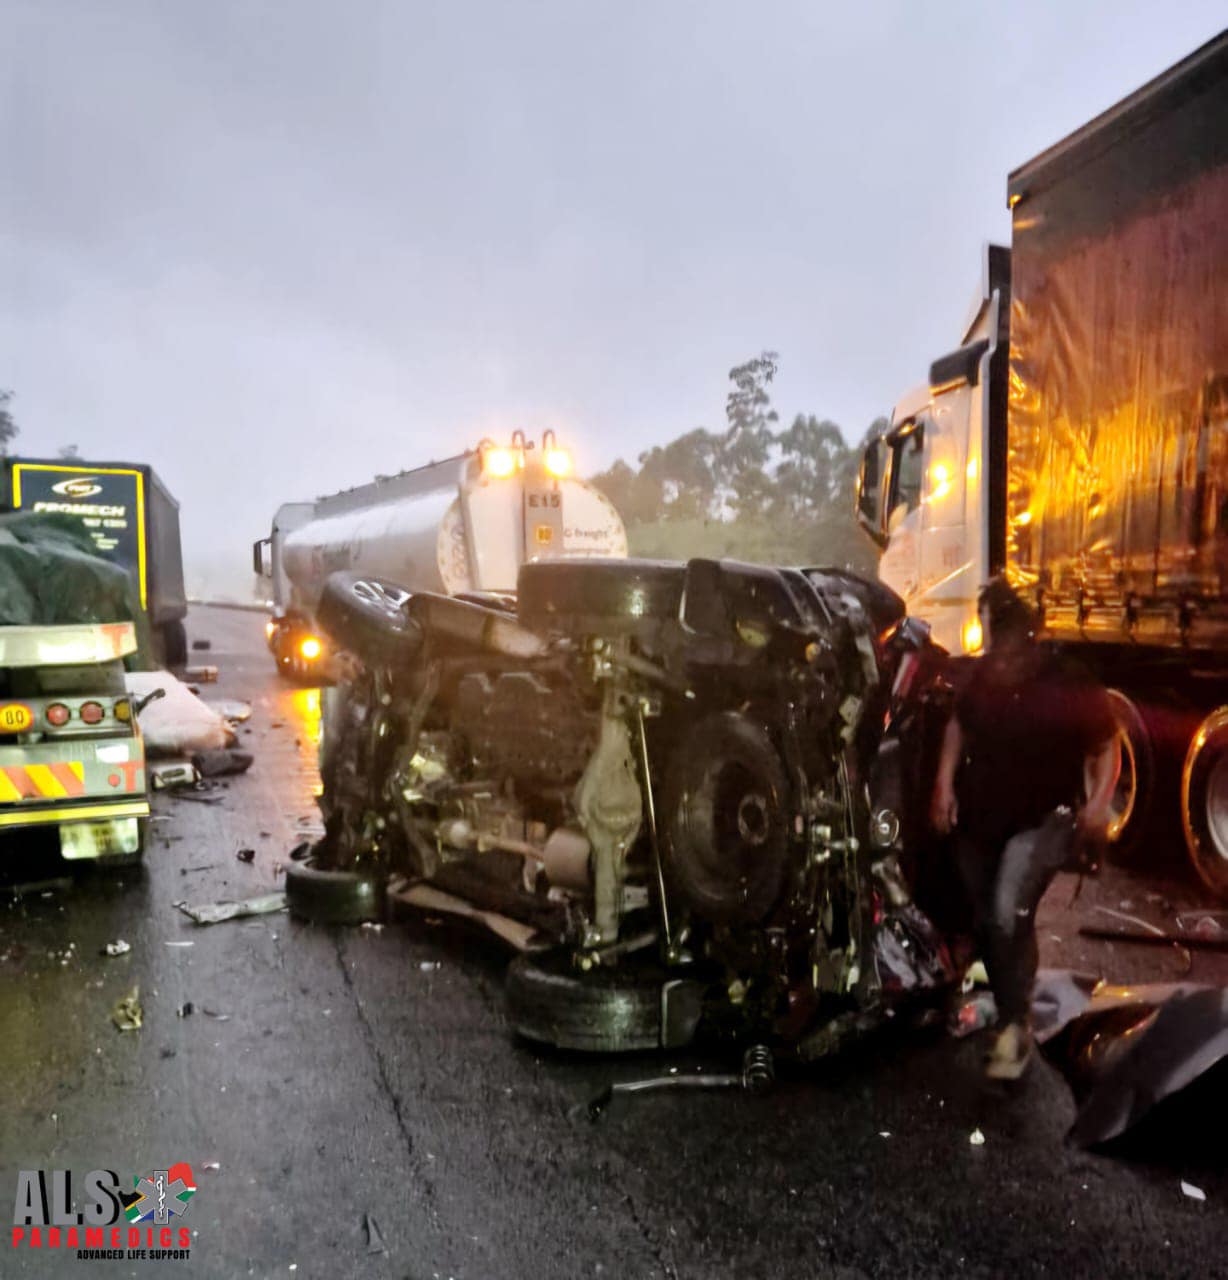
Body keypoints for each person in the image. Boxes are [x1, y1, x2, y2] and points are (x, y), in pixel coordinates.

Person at [931, 577, 1120, 1080]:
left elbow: (1106, 746)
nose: (996, 649)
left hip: (1044, 821)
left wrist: (1099, 803)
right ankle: (1008, 1000)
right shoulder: (985, 675)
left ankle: (1015, 1029)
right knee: (988, 919)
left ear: (1023, 633)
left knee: (1005, 909)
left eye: (1000, 633)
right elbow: (957, 726)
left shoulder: (1067, 681)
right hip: (980, 820)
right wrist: (943, 786)